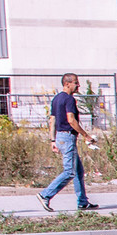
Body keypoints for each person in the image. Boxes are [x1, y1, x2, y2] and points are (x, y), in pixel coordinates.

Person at [37, 73, 100, 212]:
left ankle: (83, 202)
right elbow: (71, 120)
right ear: (67, 84)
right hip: (67, 138)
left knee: (78, 170)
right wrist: (86, 135)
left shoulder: (56, 99)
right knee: (69, 172)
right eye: (76, 83)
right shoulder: (69, 99)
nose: (78, 85)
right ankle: (45, 195)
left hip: (60, 137)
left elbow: (52, 120)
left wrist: (52, 140)